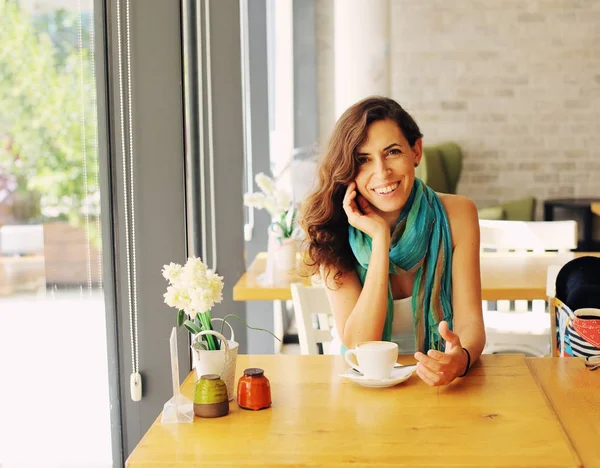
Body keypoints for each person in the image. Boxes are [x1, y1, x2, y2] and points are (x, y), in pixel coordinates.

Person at [299, 96, 485, 386]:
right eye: (363, 159)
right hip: (364, 389)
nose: (382, 172)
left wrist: (461, 359)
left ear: (416, 151)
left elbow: (471, 323)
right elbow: (360, 346)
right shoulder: (331, 231)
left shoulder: (458, 214)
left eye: (393, 152)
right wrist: (379, 240)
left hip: (438, 387)